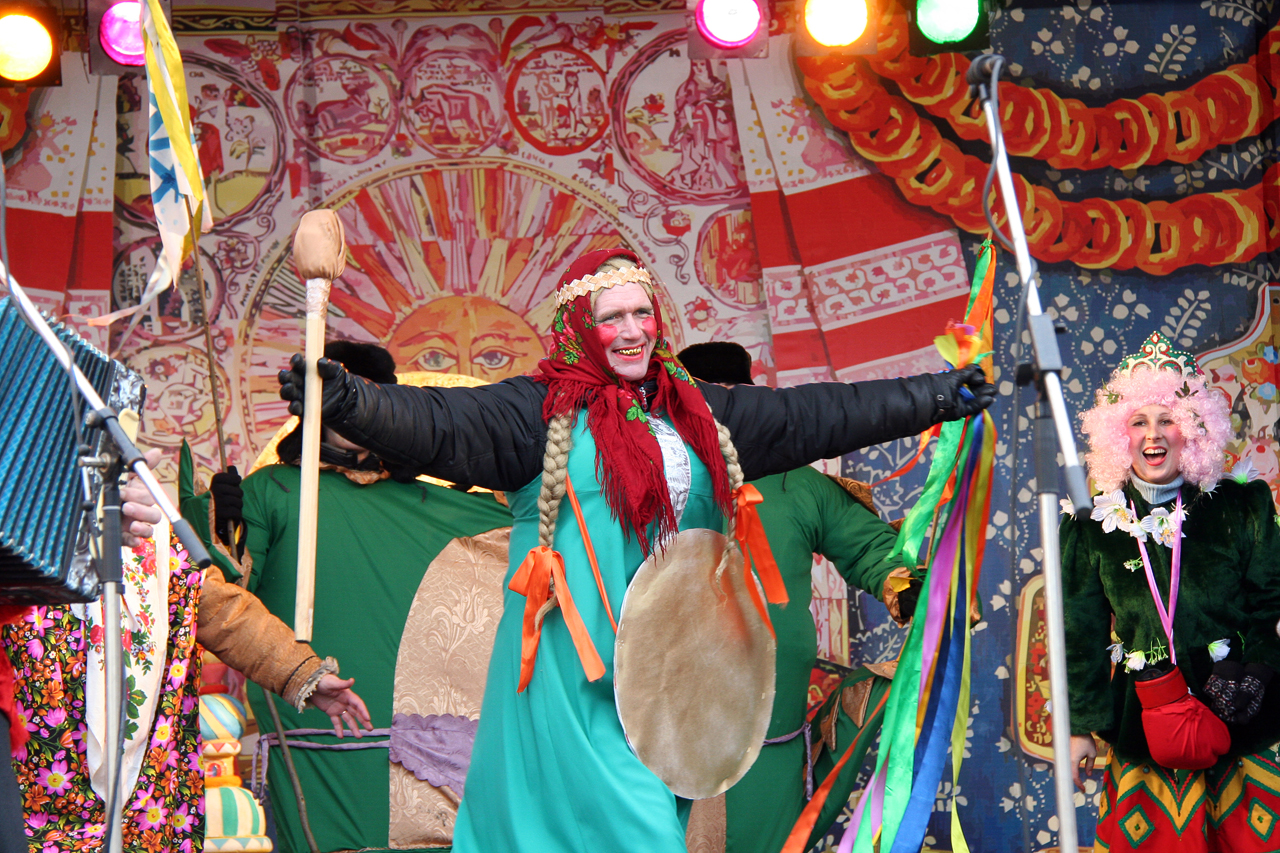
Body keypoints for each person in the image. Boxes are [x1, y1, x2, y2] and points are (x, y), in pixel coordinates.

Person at [276, 247, 995, 853]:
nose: (630, 331)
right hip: (573, 672)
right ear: (579, 327)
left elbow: (819, 413)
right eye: (611, 316)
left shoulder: (697, 409)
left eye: (641, 313)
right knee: (636, 833)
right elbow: (437, 422)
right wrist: (347, 402)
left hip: (670, 672)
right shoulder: (536, 410)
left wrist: (938, 396)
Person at [183, 341, 514, 853]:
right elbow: (222, 595)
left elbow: (535, 540)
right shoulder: (271, 490)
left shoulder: (436, 500)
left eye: (368, 400)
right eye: (342, 400)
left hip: (434, 756)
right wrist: (218, 525)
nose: (354, 416)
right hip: (317, 727)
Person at [2, 446, 371, 853]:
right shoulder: (15, 523)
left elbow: (223, 612)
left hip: (145, 797)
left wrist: (302, 673)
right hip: (30, 785)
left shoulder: (153, 527)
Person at [678, 341, 915, 853]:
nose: (723, 415)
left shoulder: (797, 483)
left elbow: (872, 548)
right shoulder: (641, 483)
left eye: (735, 399)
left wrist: (917, 591)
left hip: (771, 729)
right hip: (662, 721)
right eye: (708, 400)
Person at [1062, 331, 1280, 852]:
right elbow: (1080, 634)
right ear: (1119, 434)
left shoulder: (1241, 507)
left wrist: (1259, 670)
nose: (1153, 434)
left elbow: (1271, 604)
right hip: (1143, 726)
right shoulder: (1090, 526)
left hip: (1238, 714)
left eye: (1168, 419)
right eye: (1139, 421)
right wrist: (1081, 728)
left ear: (1195, 429)